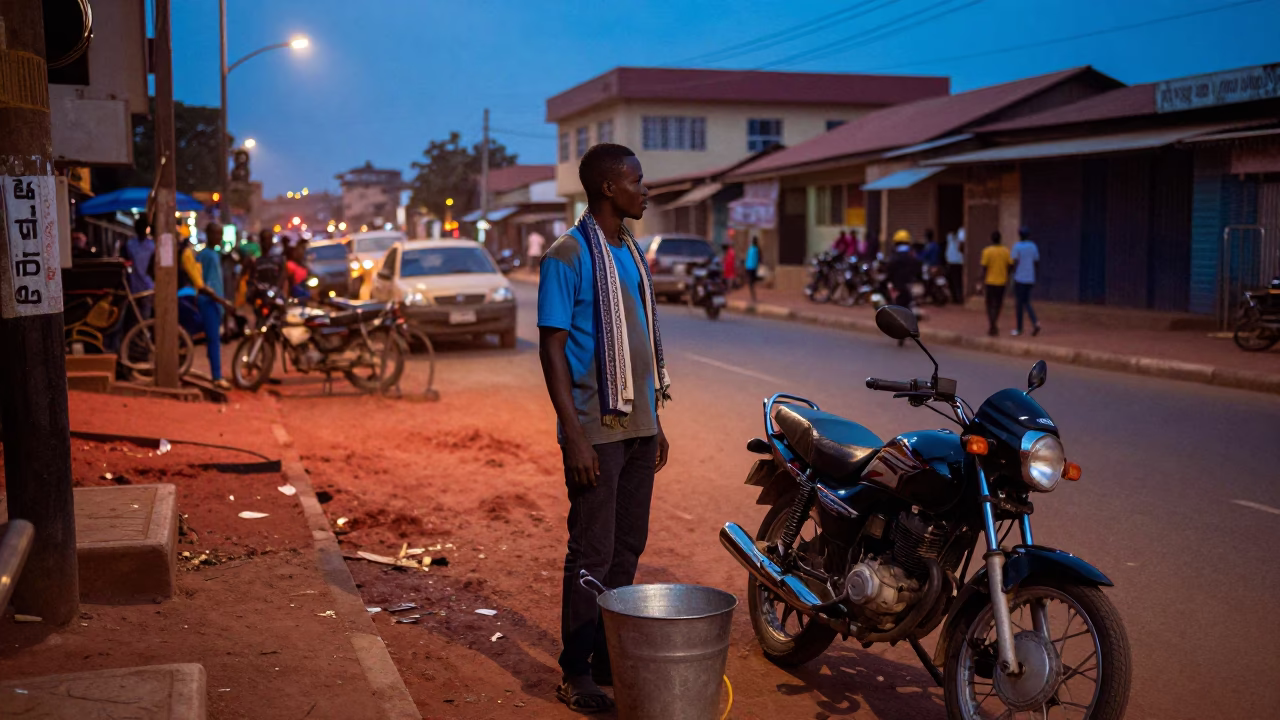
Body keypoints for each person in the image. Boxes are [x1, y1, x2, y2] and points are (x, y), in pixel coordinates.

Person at [537, 143, 671, 714]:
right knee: (591, 554)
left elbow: (640, 346)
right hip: (596, 430)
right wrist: (575, 435)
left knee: (627, 548)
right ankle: (575, 671)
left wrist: (655, 423)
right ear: (610, 189)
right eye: (638, 181)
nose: (646, 190)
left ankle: (605, 655)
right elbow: (552, 348)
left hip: (639, 427)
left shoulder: (629, 251)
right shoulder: (568, 255)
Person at [181, 226, 230, 390]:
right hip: (209, 301)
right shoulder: (206, 255)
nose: (218, 237)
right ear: (209, 235)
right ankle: (217, 376)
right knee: (213, 340)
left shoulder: (213, 254)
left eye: (220, 234)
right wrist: (222, 302)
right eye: (216, 233)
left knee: (212, 339)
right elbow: (205, 283)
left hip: (213, 301)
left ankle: (215, 373)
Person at [981, 230, 1013, 337]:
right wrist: (1006, 274)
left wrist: (981, 280)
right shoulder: (1006, 251)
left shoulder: (987, 251)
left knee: (989, 304)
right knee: (998, 304)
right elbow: (1011, 266)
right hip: (1001, 281)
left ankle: (992, 324)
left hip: (989, 281)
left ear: (991, 239)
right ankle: (994, 323)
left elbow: (984, 268)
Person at [1011, 227, 1041, 336]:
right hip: (1030, 278)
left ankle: (1020, 328)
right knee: (1026, 302)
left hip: (1020, 278)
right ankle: (1035, 323)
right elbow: (1037, 262)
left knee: (1020, 304)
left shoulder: (1017, 246)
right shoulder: (1033, 246)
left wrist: (1013, 275)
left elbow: (1015, 262)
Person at [124, 216, 156, 320]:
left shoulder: (131, 244)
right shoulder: (151, 245)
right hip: (140, 285)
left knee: (139, 315)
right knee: (141, 315)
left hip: (140, 285)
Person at [885, 229, 922, 308]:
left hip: (898, 285)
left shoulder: (894, 255)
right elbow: (918, 268)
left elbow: (890, 269)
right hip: (910, 283)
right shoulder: (912, 254)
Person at [945, 228, 965, 304]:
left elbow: (961, 246)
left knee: (957, 281)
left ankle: (958, 298)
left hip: (957, 262)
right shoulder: (950, 236)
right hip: (951, 261)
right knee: (952, 281)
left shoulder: (962, 232)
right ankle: (955, 298)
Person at [745, 236, 761, 303]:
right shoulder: (757, 249)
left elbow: (747, 257)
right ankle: (753, 296)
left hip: (748, 267)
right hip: (753, 267)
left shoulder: (750, 248)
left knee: (751, 282)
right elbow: (759, 259)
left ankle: (753, 295)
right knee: (752, 282)